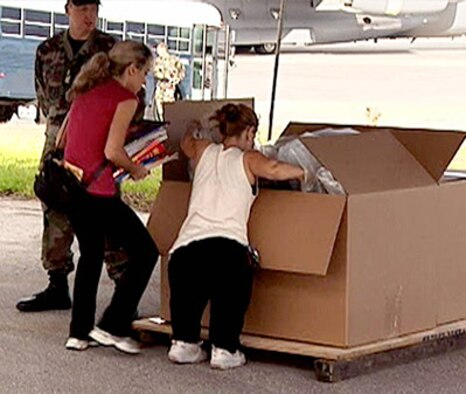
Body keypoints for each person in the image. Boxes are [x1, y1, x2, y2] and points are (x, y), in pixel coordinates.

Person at [167, 104, 305, 369]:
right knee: (229, 292)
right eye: (253, 134)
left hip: (184, 251)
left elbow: (186, 142)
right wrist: (306, 172)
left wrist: (190, 128)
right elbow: (274, 168)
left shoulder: (203, 149)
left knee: (188, 295)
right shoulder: (248, 158)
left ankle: (184, 343)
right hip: (226, 249)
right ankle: (224, 348)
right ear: (249, 132)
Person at [16, 0, 126, 312]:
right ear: (68, 9)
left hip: (96, 145)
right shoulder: (48, 49)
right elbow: (44, 97)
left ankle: (122, 286)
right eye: (82, 8)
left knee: (105, 211)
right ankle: (56, 284)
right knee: (55, 210)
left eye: (94, 8)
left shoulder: (110, 49)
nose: (88, 15)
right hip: (57, 145)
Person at [63, 40, 159, 353]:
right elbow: (112, 151)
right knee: (145, 252)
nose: (144, 80)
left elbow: (67, 138)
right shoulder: (126, 98)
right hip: (99, 192)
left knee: (90, 255)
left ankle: (79, 332)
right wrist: (136, 169)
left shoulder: (86, 88)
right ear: (132, 69)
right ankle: (113, 325)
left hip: (73, 186)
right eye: (144, 72)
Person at [152, 42, 185, 121]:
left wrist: (173, 81)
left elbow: (155, 74)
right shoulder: (174, 60)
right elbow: (182, 72)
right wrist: (175, 80)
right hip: (166, 87)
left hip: (166, 88)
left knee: (164, 109)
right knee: (165, 109)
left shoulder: (161, 61)